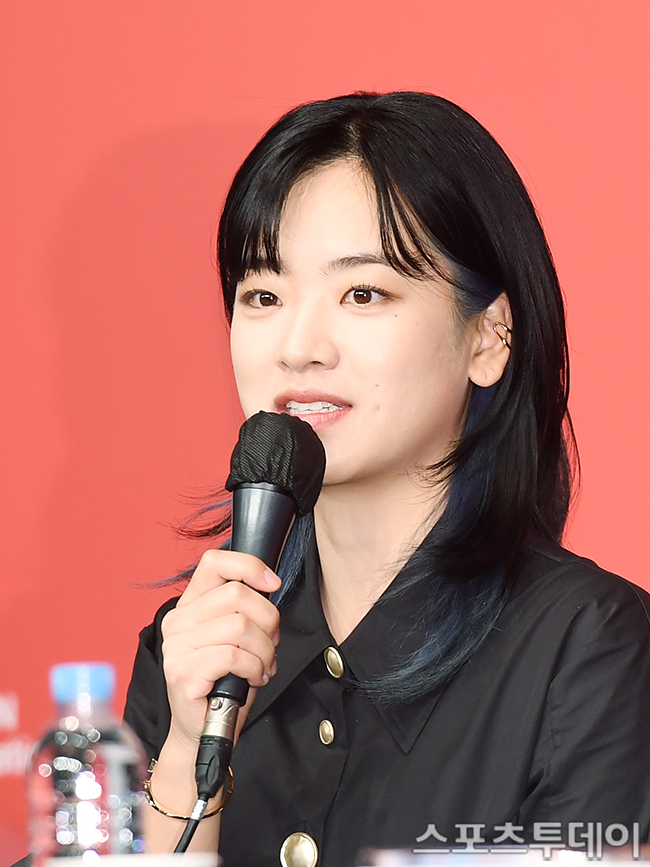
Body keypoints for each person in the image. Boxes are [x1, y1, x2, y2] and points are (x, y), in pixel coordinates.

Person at [124, 92, 650, 865]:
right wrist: (182, 751)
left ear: (488, 337)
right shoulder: (195, 645)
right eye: (263, 295)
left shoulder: (589, 649)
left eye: (362, 293)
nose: (298, 346)